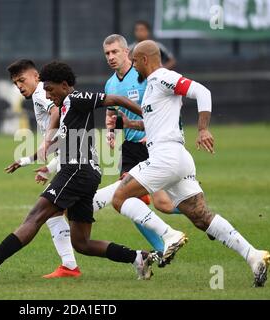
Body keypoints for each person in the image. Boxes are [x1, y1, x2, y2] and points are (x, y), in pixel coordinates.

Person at [0, 61, 185, 280]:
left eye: (50, 89)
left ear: (65, 85)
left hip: (77, 170)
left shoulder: (76, 98)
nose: (47, 95)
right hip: (85, 174)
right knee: (82, 243)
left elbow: (115, 98)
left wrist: (148, 117)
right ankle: (139, 258)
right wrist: (31, 160)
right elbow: (60, 142)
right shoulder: (65, 106)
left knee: (36, 216)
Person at [107, 40, 270, 287]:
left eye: (136, 62)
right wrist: (128, 125)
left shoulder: (163, 77)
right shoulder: (152, 86)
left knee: (120, 198)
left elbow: (202, 92)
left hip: (166, 157)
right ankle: (253, 255)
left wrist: (203, 129)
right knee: (201, 217)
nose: (134, 68)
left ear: (143, 60)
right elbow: (156, 122)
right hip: (176, 158)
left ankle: (168, 235)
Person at [90, 34, 182, 255]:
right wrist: (110, 132)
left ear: (126, 52)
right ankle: (161, 248)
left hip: (153, 145)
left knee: (163, 205)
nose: (111, 57)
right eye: (107, 54)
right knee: (128, 201)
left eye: (115, 52)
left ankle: (198, 214)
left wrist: (152, 130)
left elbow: (164, 107)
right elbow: (111, 114)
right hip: (130, 148)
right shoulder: (110, 83)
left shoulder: (144, 76)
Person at [3, 59, 81, 279]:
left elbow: (56, 112)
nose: (19, 86)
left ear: (36, 76)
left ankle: (138, 255)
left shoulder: (40, 93)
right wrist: (33, 161)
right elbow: (58, 136)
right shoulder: (41, 93)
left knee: (47, 213)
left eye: (22, 79)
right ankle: (69, 266)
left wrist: (46, 141)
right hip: (67, 157)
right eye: (16, 82)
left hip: (75, 163)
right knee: (56, 214)